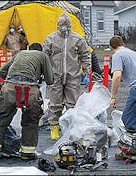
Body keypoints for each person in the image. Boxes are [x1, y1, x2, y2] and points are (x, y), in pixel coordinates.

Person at [0, 43, 54, 161]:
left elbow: (1, 72)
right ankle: (27, 153)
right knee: (30, 121)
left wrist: (11, 79)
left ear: (29, 49)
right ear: (40, 50)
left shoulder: (20, 54)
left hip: (9, 88)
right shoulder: (43, 56)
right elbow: (50, 80)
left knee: (0, 118)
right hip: (30, 91)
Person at [43, 12, 91, 140]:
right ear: (57, 25)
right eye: (61, 24)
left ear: (70, 24)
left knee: (72, 103)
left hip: (73, 76)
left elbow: (85, 55)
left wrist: (86, 71)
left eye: (66, 24)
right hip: (55, 76)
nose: (63, 26)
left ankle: (71, 127)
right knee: (55, 103)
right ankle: (54, 127)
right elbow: (44, 57)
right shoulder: (51, 39)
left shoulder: (78, 39)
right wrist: (44, 73)